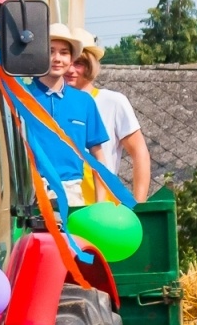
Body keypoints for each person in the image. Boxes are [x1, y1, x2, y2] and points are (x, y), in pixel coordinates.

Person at [25, 23, 109, 207]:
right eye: (51, 51)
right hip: (27, 195)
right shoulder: (19, 95)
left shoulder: (84, 102)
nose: (57, 58)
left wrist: (100, 205)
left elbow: (98, 156)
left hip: (72, 195)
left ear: (71, 59)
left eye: (64, 52)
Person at [65, 30, 151, 202]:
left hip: (104, 207)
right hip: (63, 204)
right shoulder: (49, 103)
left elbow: (139, 153)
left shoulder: (113, 102)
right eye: (68, 61)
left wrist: (140, 206)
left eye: (79, 63)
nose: (71, 69)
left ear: (91, 65)